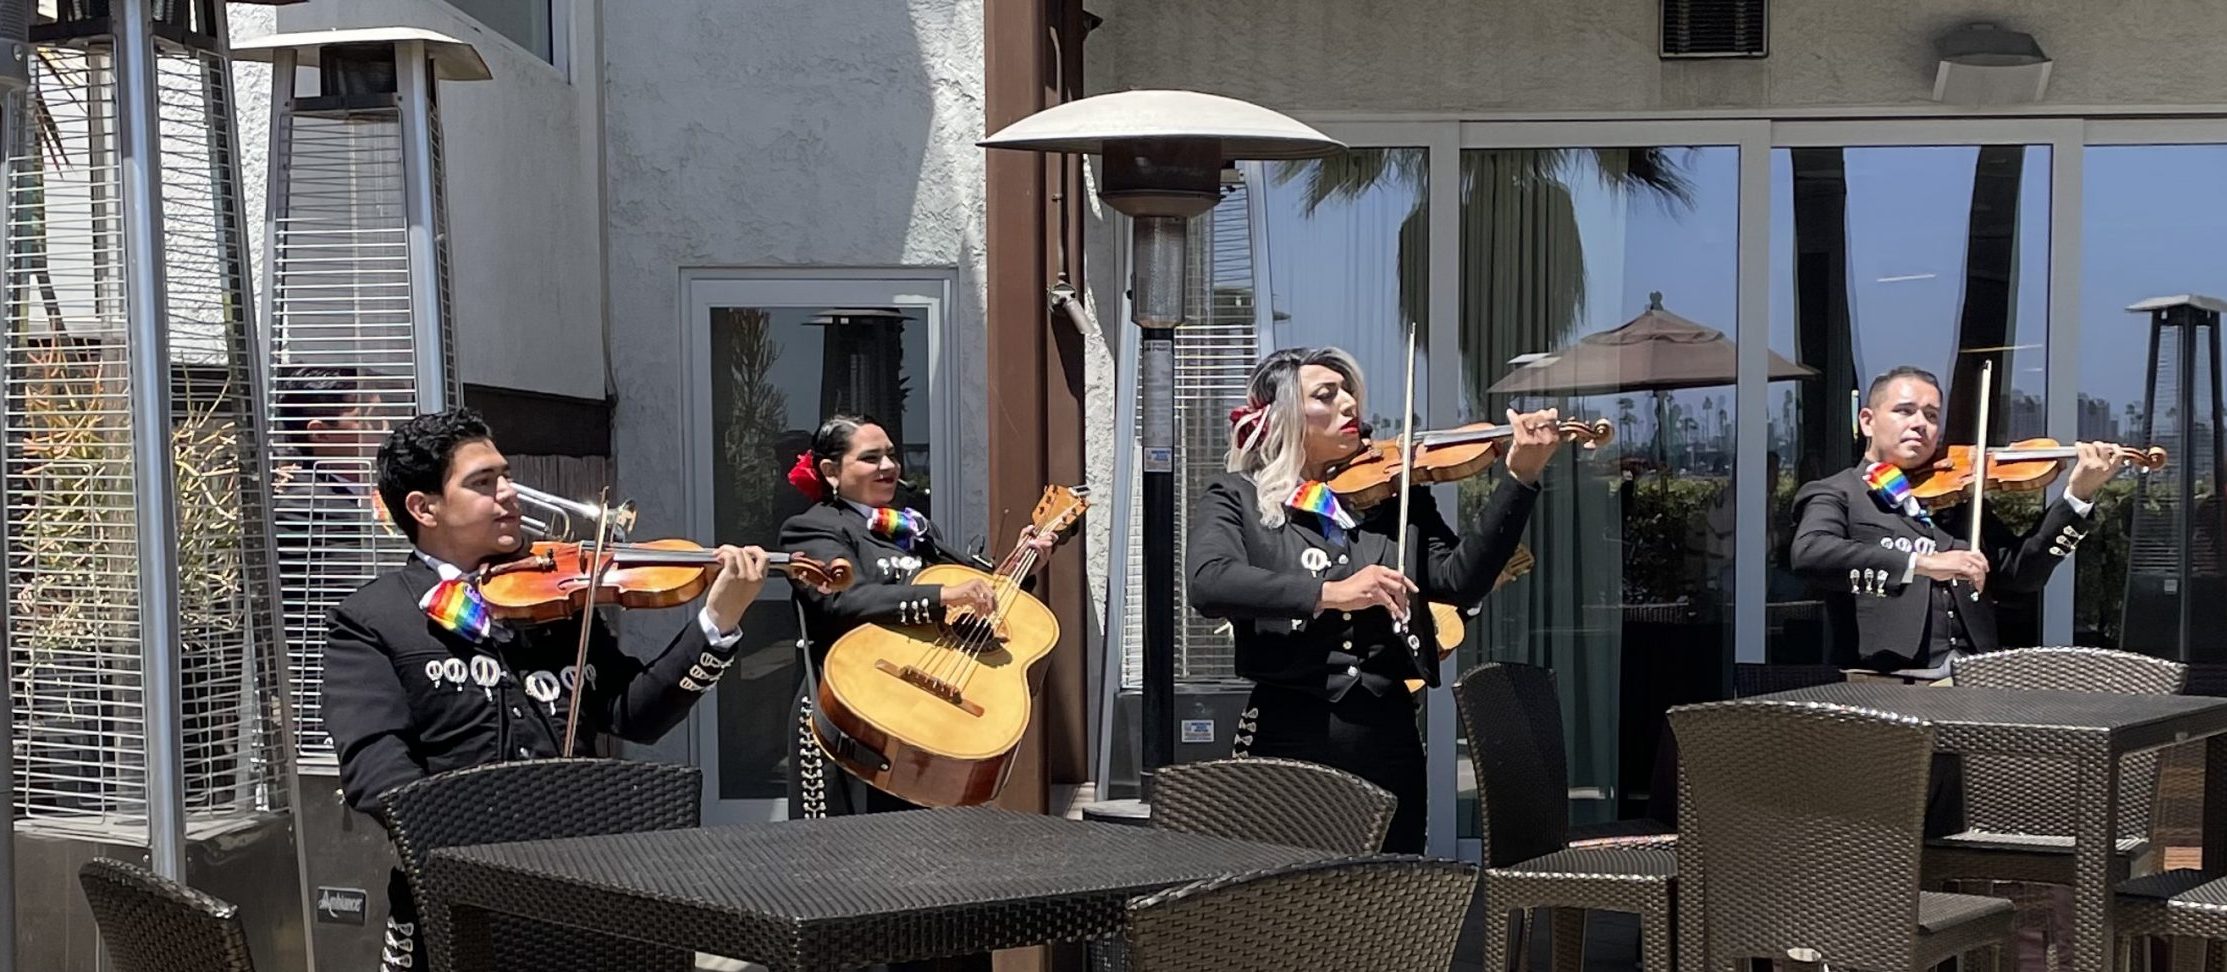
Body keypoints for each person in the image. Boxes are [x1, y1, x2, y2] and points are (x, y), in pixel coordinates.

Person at [322, 407, 768, 972]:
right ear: (424, 507)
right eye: (483, 483)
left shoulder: (556, 601)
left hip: (587, 894)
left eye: (505, 476)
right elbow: (377, 775)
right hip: (460, 908)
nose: (510, 494)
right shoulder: (372, 620)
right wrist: (497, 844)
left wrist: (714, 625)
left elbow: (636, 714)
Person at [1185, 347, 1563, 853]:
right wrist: (1330, 593)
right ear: (1282, 416)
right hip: (1289, 734)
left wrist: (1519, 480)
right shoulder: (1238, 497)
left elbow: (1460, 580)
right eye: (1326, 395)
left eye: (1350, 394)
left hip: (1388, 734)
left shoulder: (1393, 498)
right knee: (1287, 905)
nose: (1349, 405)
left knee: (1391, 898)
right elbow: (1209, 582)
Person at [778, 413, 1056, 820]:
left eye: (891, 455)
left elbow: (970, 593)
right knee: (837, 863)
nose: (888, 466)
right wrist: (940, 595)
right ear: (830, 471)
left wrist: (1018, 568)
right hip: (851, 716)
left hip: (920, 720)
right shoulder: (812, 529)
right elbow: (842, 600)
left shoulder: (915, 530)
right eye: (871, 458)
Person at [1789, 365, 2116, 680]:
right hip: (1885, 678)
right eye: (1905, 411)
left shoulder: (1959, 499)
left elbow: (2019, 576)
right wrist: (1921, 563)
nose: (1921, 424)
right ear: (1868, 421)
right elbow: (1811, 552)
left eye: (1931, 415)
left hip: (1974, 677)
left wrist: (2077, 496)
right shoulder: (1838, 492)